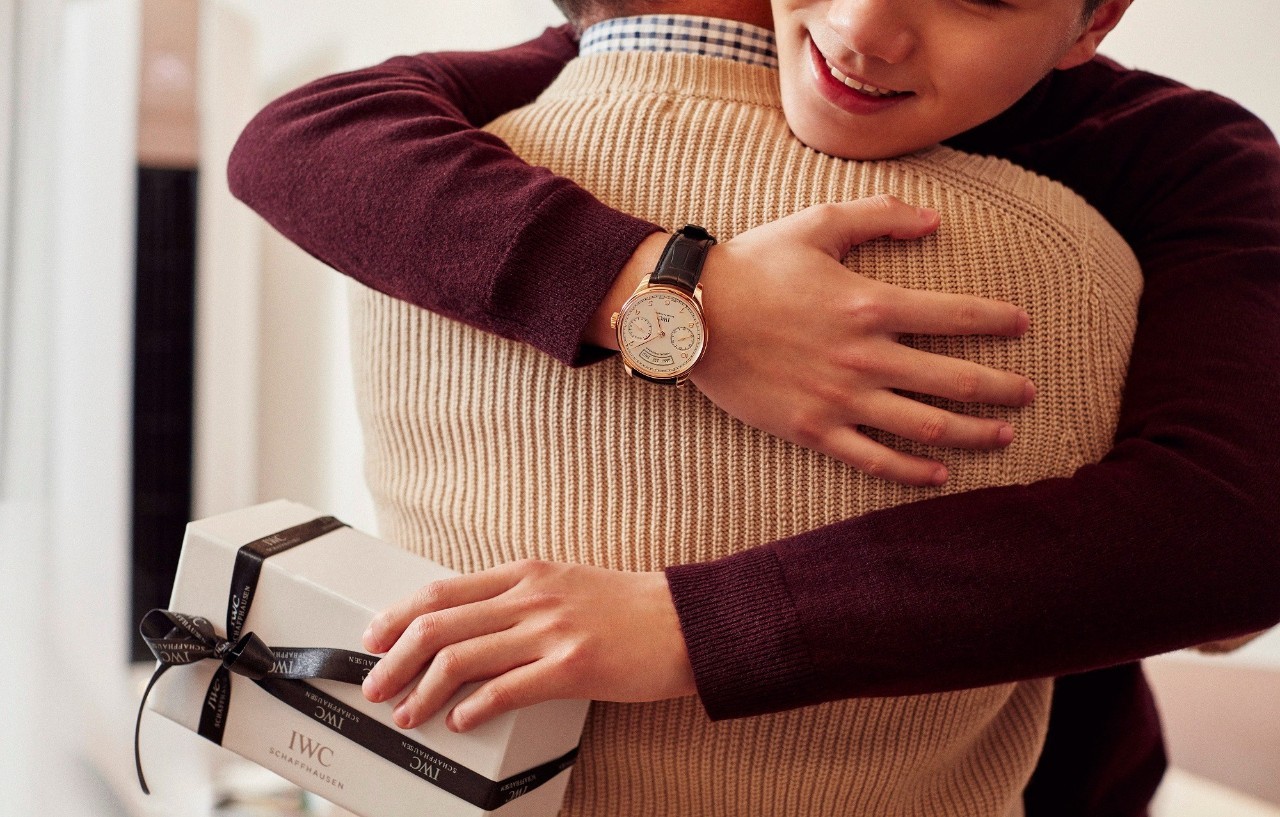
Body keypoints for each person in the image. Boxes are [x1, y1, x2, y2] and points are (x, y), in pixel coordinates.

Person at [227, 1, 1280, 814]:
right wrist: (680, 300)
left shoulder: (1182, 159)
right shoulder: (706, 32)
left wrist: (688, 624)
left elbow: (1234, 528)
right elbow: (303, 137)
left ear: (1093, 21)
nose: (865, 30)